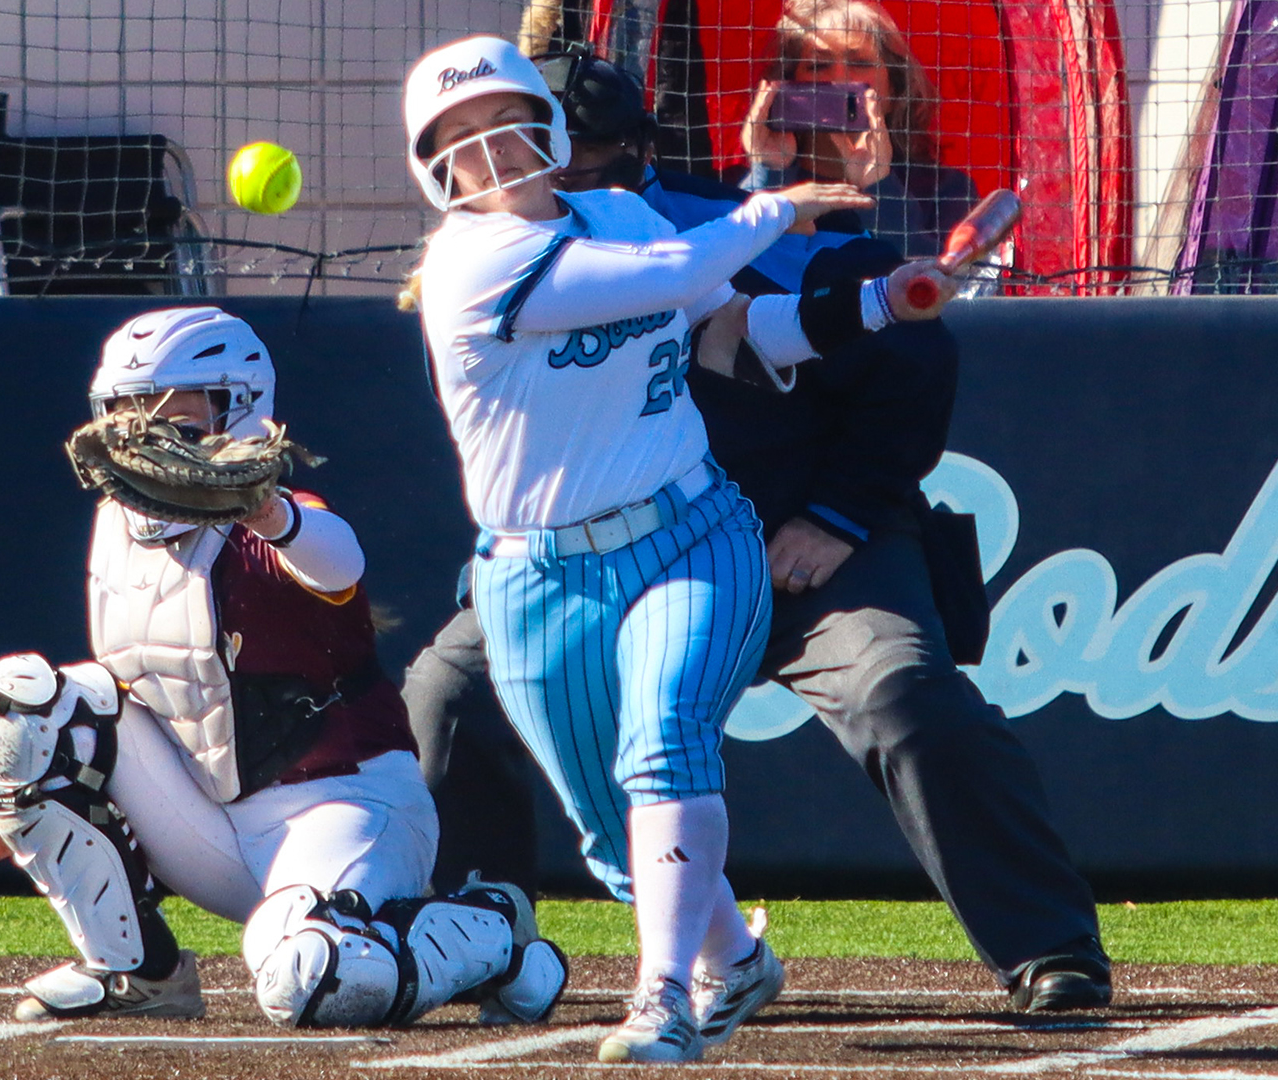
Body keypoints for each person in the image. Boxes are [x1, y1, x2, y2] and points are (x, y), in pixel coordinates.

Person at [403, 50, 1112, 1020]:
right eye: (485, 146)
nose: (545, 171)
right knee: (449, 684)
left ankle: (1049, 948)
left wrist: (836, 516)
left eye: (585, 145)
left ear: (636, 149)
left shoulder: (672, 225)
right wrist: (767, 197)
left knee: (904, 691)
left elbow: (888, 357)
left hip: (800, 548)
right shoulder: (505, 253)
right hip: (592, 566)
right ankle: (485, 939)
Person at [0, 306, 567, 1029]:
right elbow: (132, 700)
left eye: (168, 414)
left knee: (310, 979)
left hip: (343, 811)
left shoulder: (282, 518)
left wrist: (266, 512)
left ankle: (488, 937)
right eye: (125, 413)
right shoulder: (114, 524)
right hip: (209, 820)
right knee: (21, 701)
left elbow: (339, 561)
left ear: (236, 406)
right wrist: (21, 804)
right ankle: (138, 973)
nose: (142, 434)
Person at [736, 0, 977, 259]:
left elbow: (939, 281)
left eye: (860, 63)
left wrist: (879, 186)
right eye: (818, 66)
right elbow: (729, 269)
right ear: (788, 85)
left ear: (894, 88)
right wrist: (769, 172)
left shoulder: (945, 190)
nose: (840, 79)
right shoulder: (733, 184)